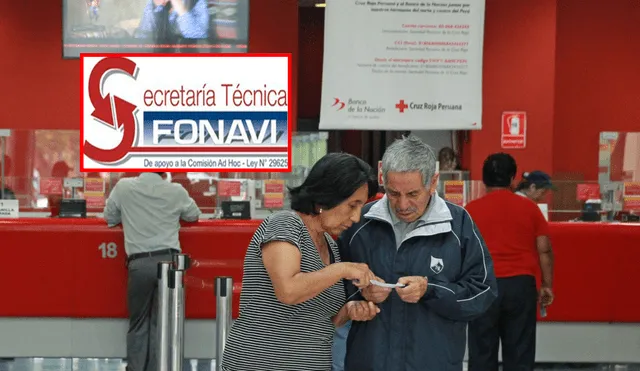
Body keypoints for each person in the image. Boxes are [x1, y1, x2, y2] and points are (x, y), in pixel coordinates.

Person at [336, 135, 498, 371]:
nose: (402, 205)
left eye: (412, 194)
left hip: (433, 362)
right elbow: (333, 288)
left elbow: (482, 293)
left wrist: (430, 289)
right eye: (393, 193)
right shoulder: (360, 222)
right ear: (383, 181)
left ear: (433, 183)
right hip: (369, 361)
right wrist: (359, 297)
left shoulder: (458, 224)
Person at [221, 153, 382, 371]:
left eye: (360, 208)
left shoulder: (330, 245)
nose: (355, 218)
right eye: (352, 205)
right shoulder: (285, 223)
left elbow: (318, 320)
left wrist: (349, 310)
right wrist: (343, 269)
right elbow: (289, 290)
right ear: (327, 197)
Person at [465, 153, 555, 371]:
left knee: (481, 351)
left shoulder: (470, 209)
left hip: (483, 285)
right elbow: (544, 249)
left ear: (484, 179)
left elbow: (462, 251)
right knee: (519, 354)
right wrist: (546, 284)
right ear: (512, 178)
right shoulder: (529, 208)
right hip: (520, 286)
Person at [104, 172, 201, 371]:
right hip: (170, 265)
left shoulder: (123, 187)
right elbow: (193, 215)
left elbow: (110, 217)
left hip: (139, 263)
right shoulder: (175, 191)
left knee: (139, 324)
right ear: (165, 172)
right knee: (163, 324)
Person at [136, 0, 209, 41]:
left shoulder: (199, 2)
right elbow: (142, 35)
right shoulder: (152, 3)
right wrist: (156, 8)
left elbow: (200, 38)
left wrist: (180, 8)